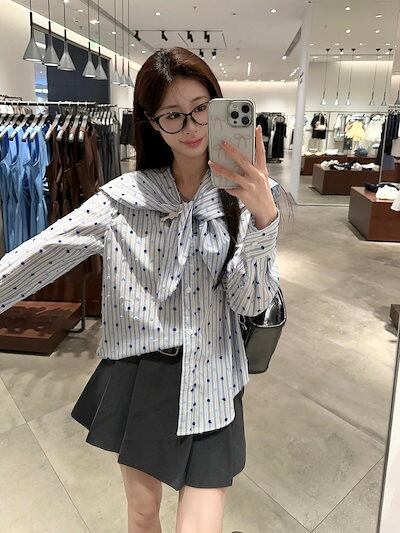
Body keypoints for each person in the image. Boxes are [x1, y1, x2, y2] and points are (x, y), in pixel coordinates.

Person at [0, 47, 282, 533]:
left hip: (214, 374)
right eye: (172, 115)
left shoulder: (247, 197)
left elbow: (251, 301)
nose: (191, 126)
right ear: (152, 123)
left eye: (200, 108)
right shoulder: (124, 199)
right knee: (143, 514)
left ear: (217, 105)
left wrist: (263, 219)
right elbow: (42, 254)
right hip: (142, 374)